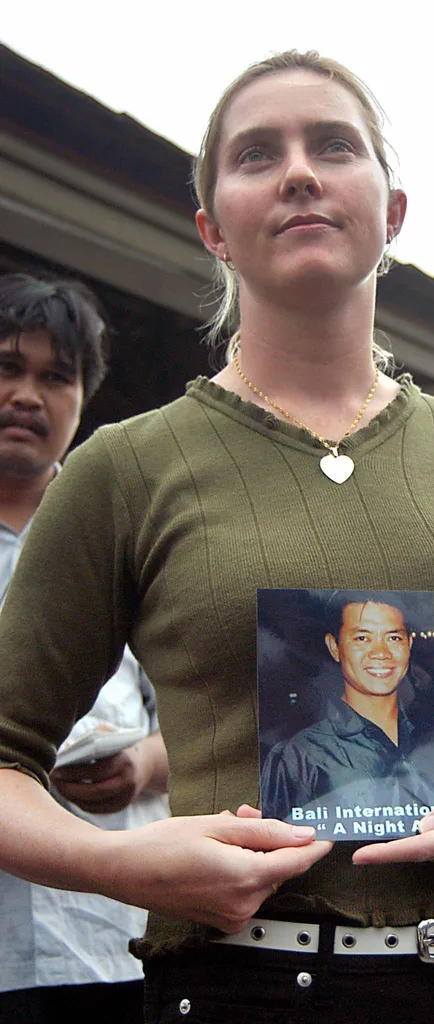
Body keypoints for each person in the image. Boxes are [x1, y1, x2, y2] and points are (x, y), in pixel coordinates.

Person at [0, 53, 434, 1024]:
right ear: (212, 229)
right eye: (257, 154)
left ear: (393, 212)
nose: (299, 172)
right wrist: (116, 859)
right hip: (245, 988)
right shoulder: (123, 468)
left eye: (334, 146)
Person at [0, 274, 169, 1023]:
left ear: (81, 396)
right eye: (8, 368)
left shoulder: (128, 533)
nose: (26, 396)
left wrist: (144, 767)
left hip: (114, 941)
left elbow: (210, 709)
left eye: (54, 377)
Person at [261, 591, 434, 822]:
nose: (381, 653)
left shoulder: (431, 737)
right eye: (362, 638)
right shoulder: (300, 755)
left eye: (393, 638)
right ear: (334, 647)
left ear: (409, 644)